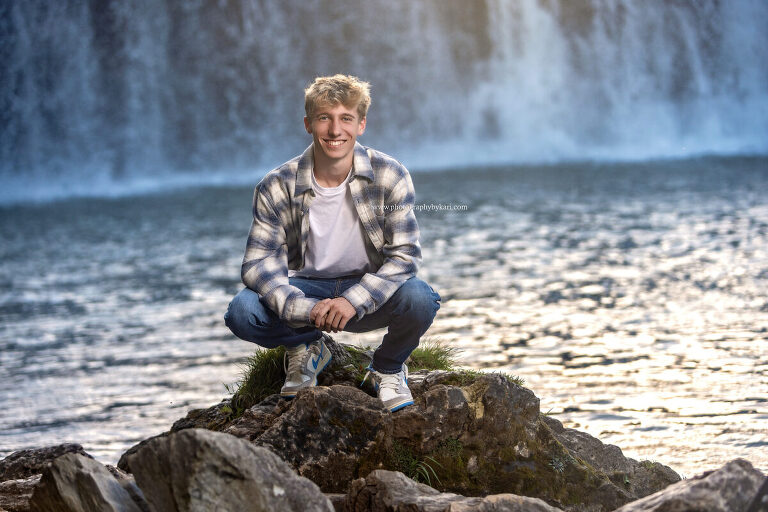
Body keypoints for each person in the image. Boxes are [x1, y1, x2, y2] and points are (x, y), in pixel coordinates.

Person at [224, 74, 440, 412]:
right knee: (242, 312)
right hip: (304, 290)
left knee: (421, 299)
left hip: (365, 287)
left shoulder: (390, 175)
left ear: (361, 124)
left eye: (346, 119)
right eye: (325, 118)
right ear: (308, 124)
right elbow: (257, 265)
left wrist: (352, 301)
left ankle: (386, 368)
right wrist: (305, 309)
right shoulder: (275, 185)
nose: (335, 130)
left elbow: (405, 257)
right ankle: (307, 347)